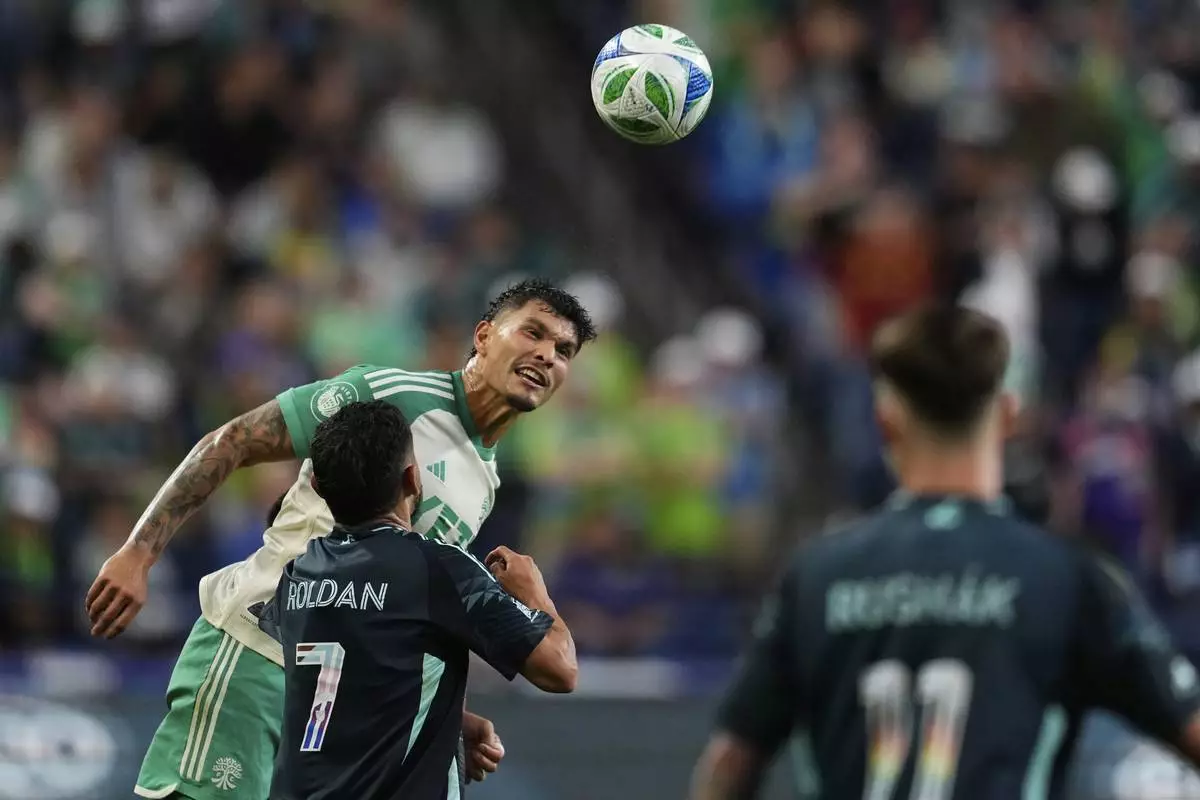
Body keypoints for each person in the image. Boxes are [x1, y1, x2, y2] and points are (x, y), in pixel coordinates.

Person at [83, 277, 595, 799]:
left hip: (333, 700)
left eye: (563, 350)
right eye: (532, 332)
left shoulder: (484, 479)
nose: (546, 355)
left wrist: (451, 713)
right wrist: (138, 552)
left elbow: (403, 603)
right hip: (257, 652)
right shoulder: (391, 395)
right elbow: (235, 439)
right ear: (484, 336)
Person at [691, 305, 1200, 800]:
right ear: (1007, 417)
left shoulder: (816, 576)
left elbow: (729, 763)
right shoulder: (1064, 577)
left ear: (886, 422)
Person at [259, 400, 576, 799]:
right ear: (412, 479)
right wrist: (535, 593)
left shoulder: (298, 573)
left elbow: (338, 685)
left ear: (318, 489)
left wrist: (450, 720)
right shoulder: (436, 568)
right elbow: (559, 669)